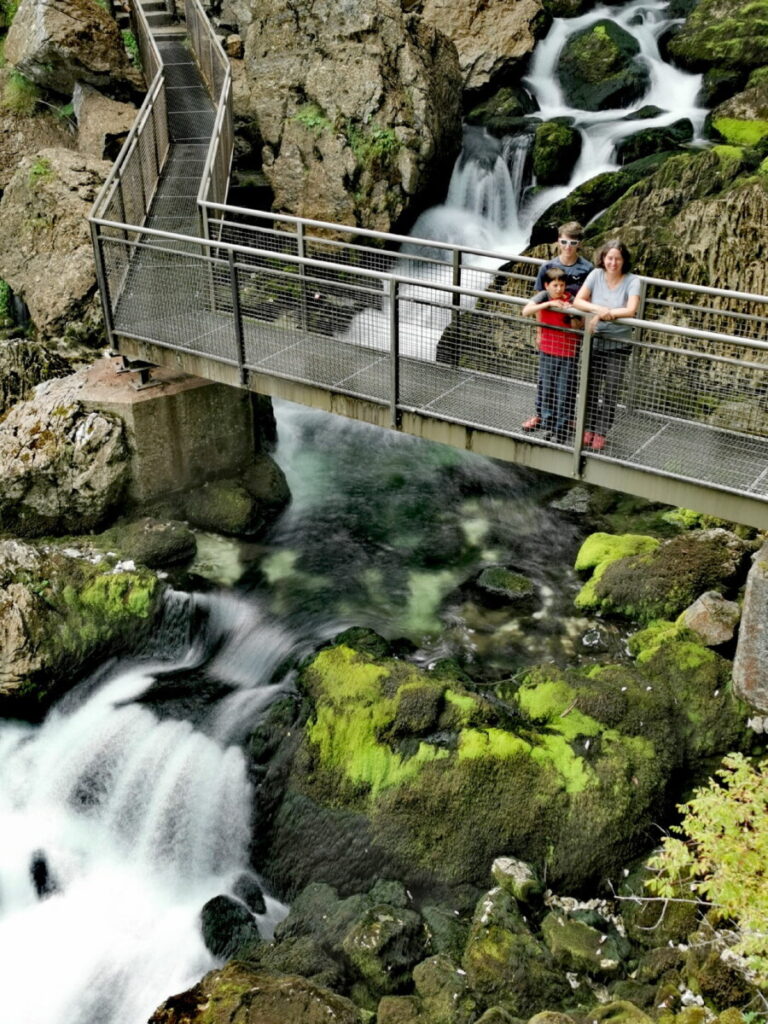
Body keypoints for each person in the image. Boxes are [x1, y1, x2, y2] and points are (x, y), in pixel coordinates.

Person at [522, 222, 593, 432]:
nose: (568, 246)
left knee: (567, 379)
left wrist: (580, 324)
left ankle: (565, 418)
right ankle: (541, 414)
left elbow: (588, 299)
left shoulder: (587, 269)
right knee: (545, 378)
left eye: (573, 242)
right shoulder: (547, 268)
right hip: (550, 331)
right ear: (558, 241)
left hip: (571, 331)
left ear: (580, 244)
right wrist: (538, 331)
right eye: (564, 242)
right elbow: (536, 302)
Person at [572, 239, 641, 451]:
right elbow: (578, 301)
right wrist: (600, 309)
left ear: (624, 261)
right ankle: (588, 427)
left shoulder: (632, 281)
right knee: (590, 386)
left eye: (618, 259)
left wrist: (601, 315)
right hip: (595, 341)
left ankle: (601, 431)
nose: (613, 263)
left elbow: (630, 310)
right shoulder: (595, 275)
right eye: (610, 258)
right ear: (603, 258)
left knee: (611, 389)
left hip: (618, 344)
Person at [522, 268, 581, 445]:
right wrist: (548, 305)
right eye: (555, 285)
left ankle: (561, 428)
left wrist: (570, 313)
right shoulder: (543, 297)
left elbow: (578, 326)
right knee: (547, 388)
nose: (559, 289)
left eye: (562, 285)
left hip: (567, 351)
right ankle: (548, 423)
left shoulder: (570, 299)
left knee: (564, 390)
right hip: (548, 350)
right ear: (547, 285)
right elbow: (526, 311)